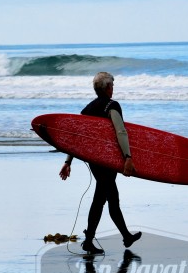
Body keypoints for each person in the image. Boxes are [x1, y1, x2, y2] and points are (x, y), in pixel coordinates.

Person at [59, 72, 142, 255]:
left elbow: (77, 139)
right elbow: (121, 131)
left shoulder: (87, 109)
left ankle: (109, 238)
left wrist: (68, 161)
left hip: (95, 160)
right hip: (108, 161)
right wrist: (128, 157)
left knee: (106, 198)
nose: (113, 89)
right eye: (112, 86)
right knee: (106, 198)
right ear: (106, 88)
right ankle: (109, 238)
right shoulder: (112, 105)